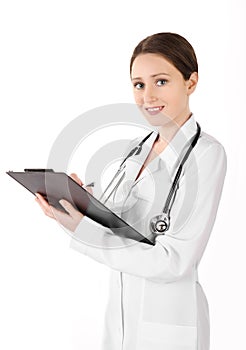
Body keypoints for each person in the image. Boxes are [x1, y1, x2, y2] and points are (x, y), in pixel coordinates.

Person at [35, 32, 227, 350]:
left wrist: (83, 231)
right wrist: (81, 200)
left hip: (169, 327)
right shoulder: (137, 149)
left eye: (161, 81)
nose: (147, 96)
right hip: (121, 322)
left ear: (191, 82)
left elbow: (173, 261)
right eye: (138, 84)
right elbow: (116, 219)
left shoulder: (206, 154)